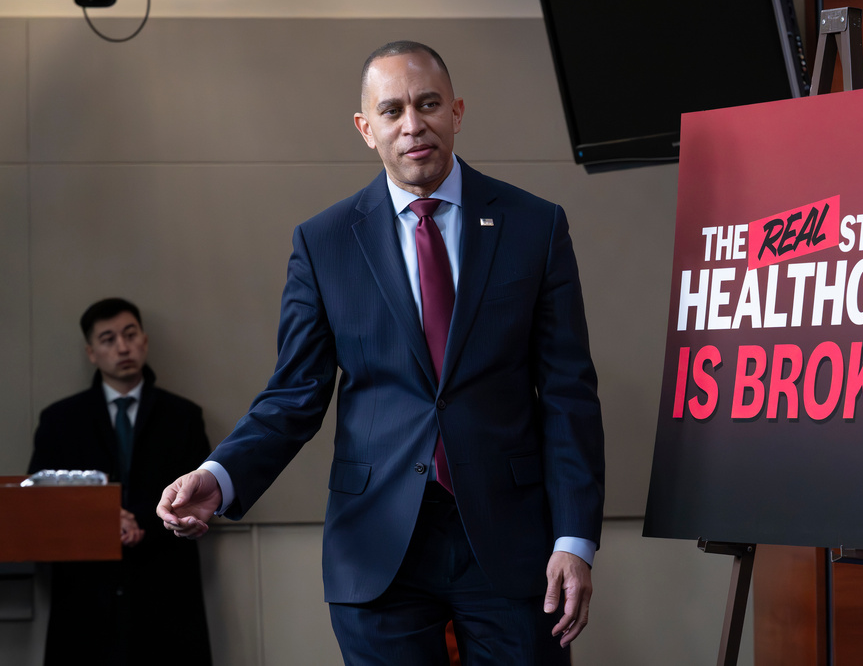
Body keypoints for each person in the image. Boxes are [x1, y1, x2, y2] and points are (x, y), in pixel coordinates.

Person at [158, 40, 604, 665]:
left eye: (428, 104)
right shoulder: (323, 242)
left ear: (457, 111)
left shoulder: (536, 226)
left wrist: (576, 539)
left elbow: (567, 394)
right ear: (367, 130)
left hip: (512, 542)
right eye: (392, 110)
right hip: (377, 548)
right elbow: (295, 394)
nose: (413, 124)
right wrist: (219, 476)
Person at [28, 298, 213, 666]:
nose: (123, 347)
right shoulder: (59, 419)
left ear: (144, 340)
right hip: (85, 595)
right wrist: (102, 521)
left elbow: (203, 497)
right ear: (91, 352)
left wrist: (138, 521)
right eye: (108, 339)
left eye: (130, 335)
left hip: (165, 590)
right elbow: (39, 505)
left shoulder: (184, 417)